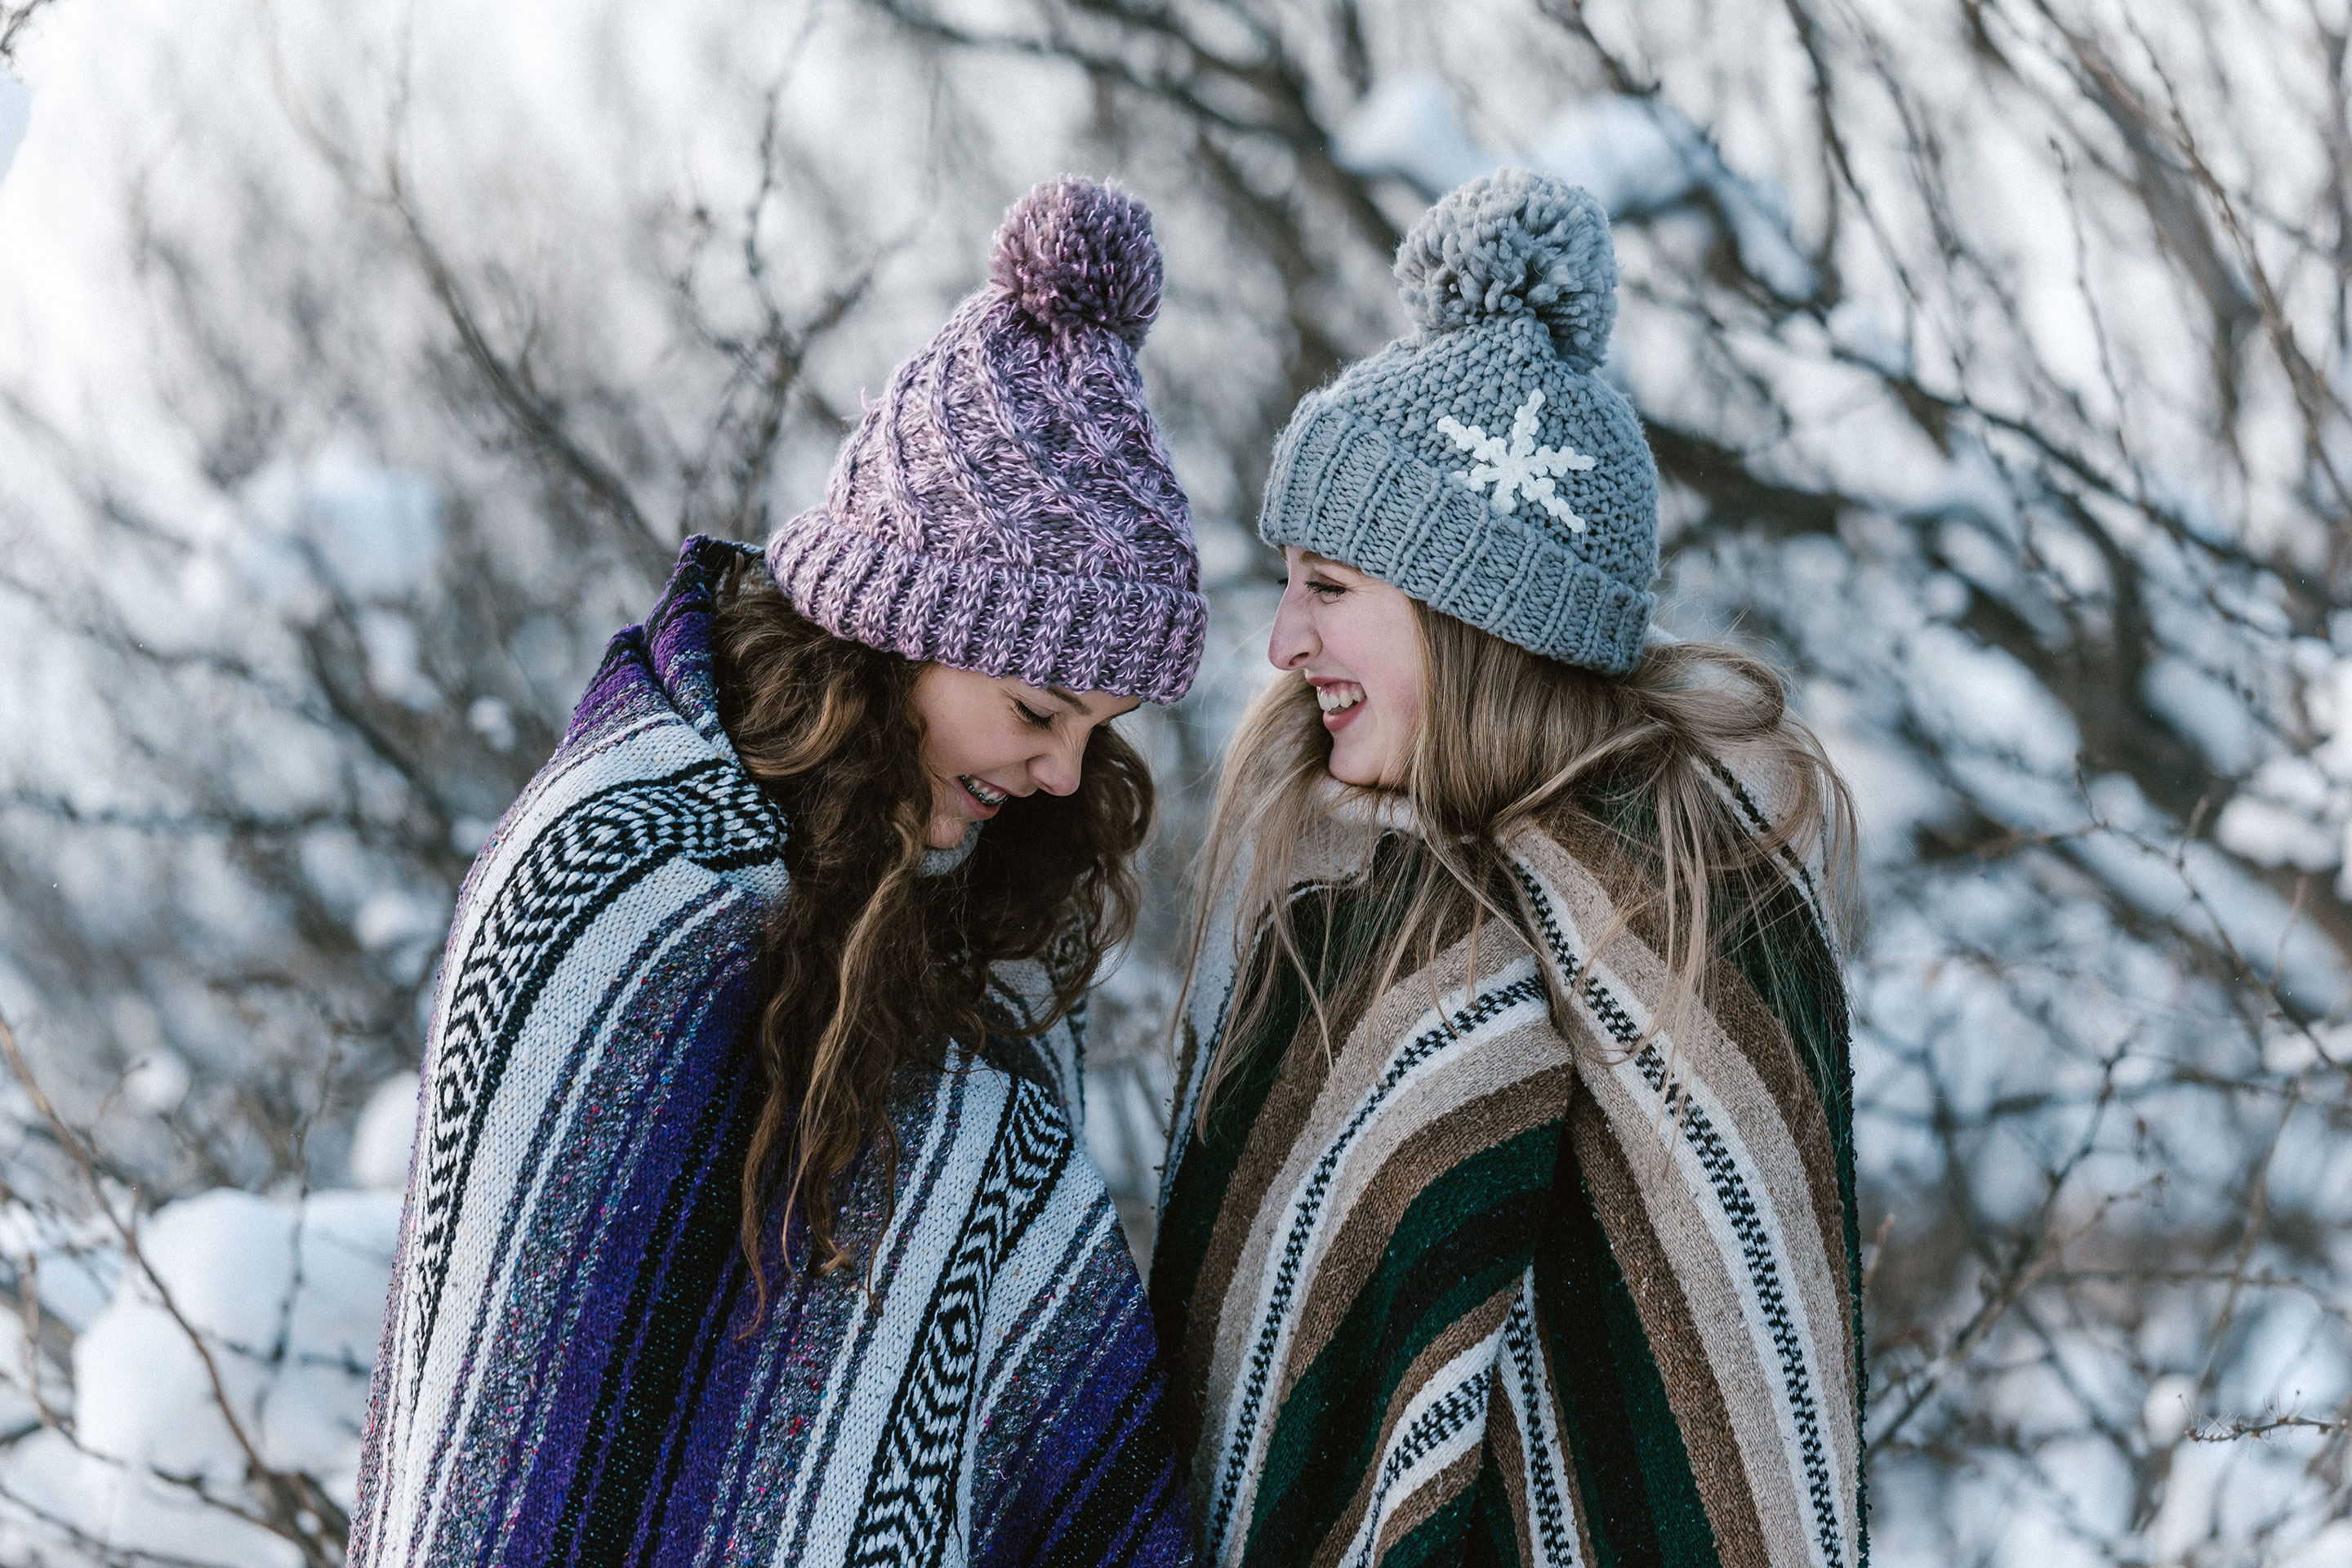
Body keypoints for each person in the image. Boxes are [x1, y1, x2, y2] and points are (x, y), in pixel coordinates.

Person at [353, 177, 1201, 1568]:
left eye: (1099, 732)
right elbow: (508, 1419)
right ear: (894, 635)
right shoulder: (616, 876)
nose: (1062, 776)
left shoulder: (929, 936)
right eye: (1041, 712)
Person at [1151, 169, 1866, 1568]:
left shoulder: (1710, 921)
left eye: (1332, 587)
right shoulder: (1352, 909)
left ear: (1475, 614)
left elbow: (1751, 1430)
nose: (1285, 644)